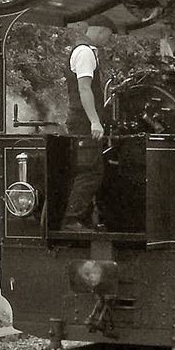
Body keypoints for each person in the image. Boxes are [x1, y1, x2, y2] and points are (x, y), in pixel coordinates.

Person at [61, 18, 115, 233]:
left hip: (81, 119)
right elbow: (85, 89)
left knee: (89, 169)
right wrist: (95, 121)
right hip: (83, 121)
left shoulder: (86, 51)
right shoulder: (85, 53)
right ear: (100, 30)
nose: (109, 40)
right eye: (108, 35)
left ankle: (84, 218)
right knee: (90, 171)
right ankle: (72, 220)